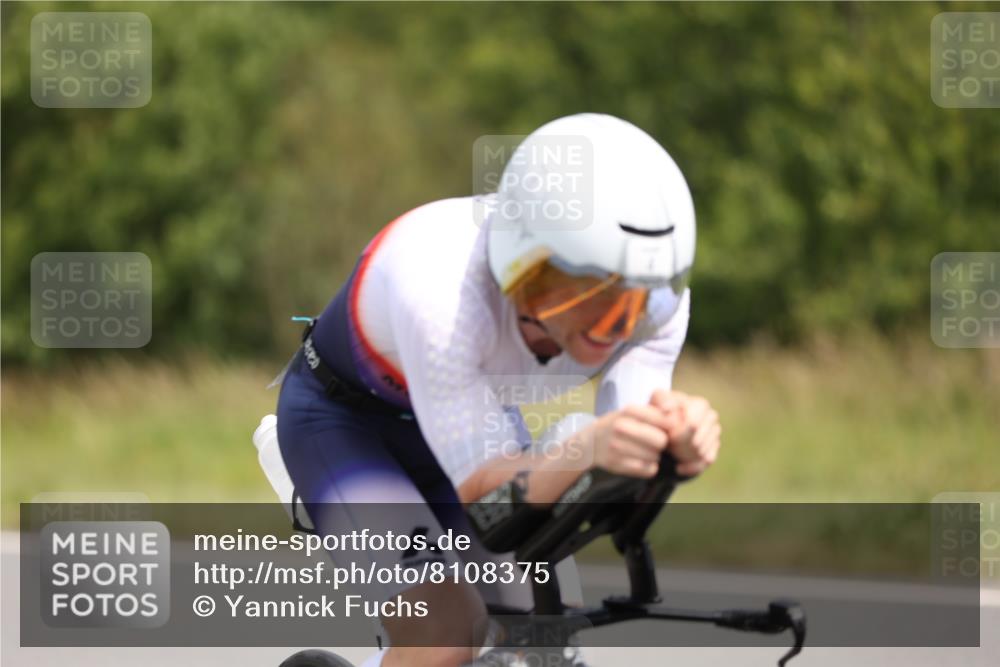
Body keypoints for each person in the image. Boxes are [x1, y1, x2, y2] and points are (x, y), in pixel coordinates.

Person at [273, 113, 721, 667]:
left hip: (474, 419)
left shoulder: (659, 307)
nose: (610, 326)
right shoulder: (443, 294)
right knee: (446, 629)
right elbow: (489, 502)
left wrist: (676, 441)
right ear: (521, 266)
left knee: (541, 635)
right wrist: (585, 447)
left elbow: (623, 465)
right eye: (582, 292)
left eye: (630, 299)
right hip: (347, 427)